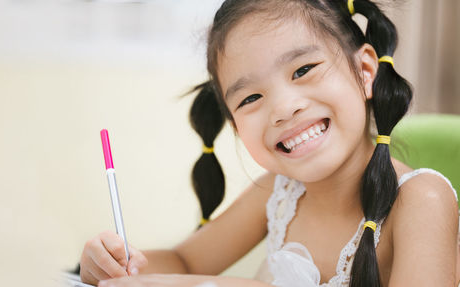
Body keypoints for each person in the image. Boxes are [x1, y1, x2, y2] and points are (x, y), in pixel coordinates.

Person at [79, 0, 460, 286]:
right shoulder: (279, 193)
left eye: (303, 70)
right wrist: (113, 265)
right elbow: (184, 263)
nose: (282, 109)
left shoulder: (421, 201)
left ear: (364, 73)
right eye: (250, 99)